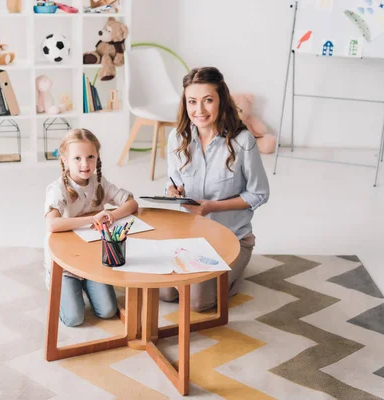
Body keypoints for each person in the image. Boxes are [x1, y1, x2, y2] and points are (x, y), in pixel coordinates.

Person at [162, 66, 270, 312]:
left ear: (221, 100)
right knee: (166, 292)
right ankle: (206, 276)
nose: (198, 110)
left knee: (197, 303)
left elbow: (259, 193)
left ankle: (235, 272)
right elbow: (172, 181)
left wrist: (212, 207)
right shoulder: (177, 138)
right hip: (190, 237)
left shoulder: (243, 140)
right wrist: (172, 192)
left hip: (231, 238)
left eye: (207, 100)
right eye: (192, 101)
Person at [44, 128, 138, 327]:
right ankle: (54, 281)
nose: (85, 164)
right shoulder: (57, 189)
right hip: (65, 264)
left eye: (90, 157)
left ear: (97, 157)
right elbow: (52, 224)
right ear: (64, 160)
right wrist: (91, 219)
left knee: (107, 311)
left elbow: (131, 203)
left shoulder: (99, 182)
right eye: (77, 158)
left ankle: (86, 283)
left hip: (92, 260)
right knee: (73, 319)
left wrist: (112, 214)